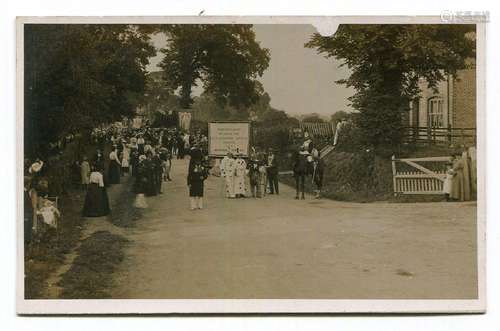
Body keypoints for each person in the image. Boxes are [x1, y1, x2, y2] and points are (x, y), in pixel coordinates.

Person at [187, 146, 208, 210]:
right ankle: (199, 205)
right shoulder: (201, 161)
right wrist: (204, 177)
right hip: (198, 179)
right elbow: (205, 171)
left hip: (194, 179)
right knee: (199, 192)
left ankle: (194, 205)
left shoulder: (192, 162)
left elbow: (190, 172)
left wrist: (188, 181)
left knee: (193, 192)